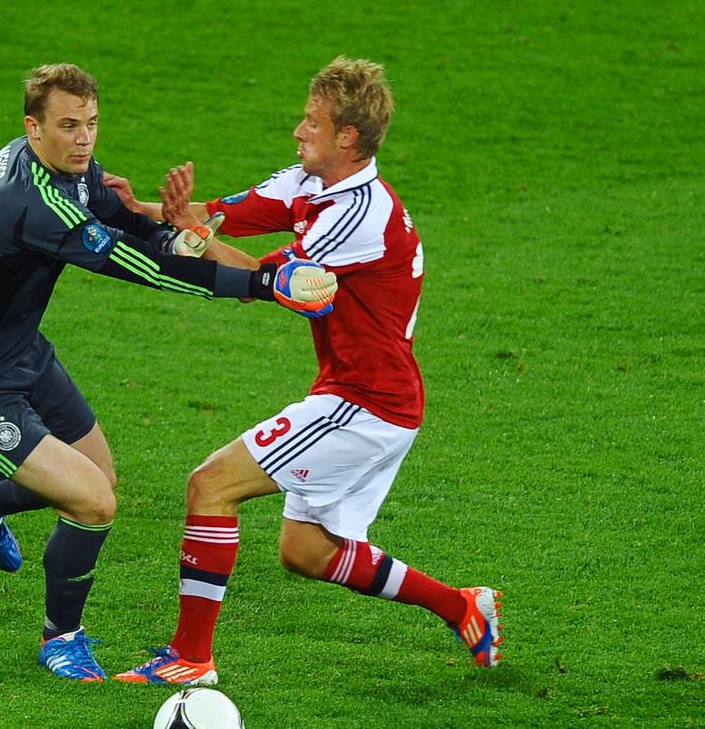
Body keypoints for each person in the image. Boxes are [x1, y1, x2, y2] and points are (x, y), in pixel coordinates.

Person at [0, 63, 336, 682]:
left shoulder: (60, 168)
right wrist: (264, 283)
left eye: (92, 123)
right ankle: (60, 638)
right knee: (91, 501)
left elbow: (128, 223)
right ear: (33, 128)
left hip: (21, 350)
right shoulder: (33, 203)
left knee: (98, 478)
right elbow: (138, 266)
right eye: (68, 126)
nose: (84, 140)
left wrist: (179, 231)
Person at [109, 56, 502, 686]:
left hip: (367, 403)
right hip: (363, 394)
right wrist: (145, 210)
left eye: (312, 123)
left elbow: (261, 283)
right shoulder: (311, 183)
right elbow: (218, 216)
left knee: (211, 485)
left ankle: (191, 658)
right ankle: (462, 606)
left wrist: (186, 235)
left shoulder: (358, 215)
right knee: (306, 551)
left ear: (347, 136)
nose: (298, 131)